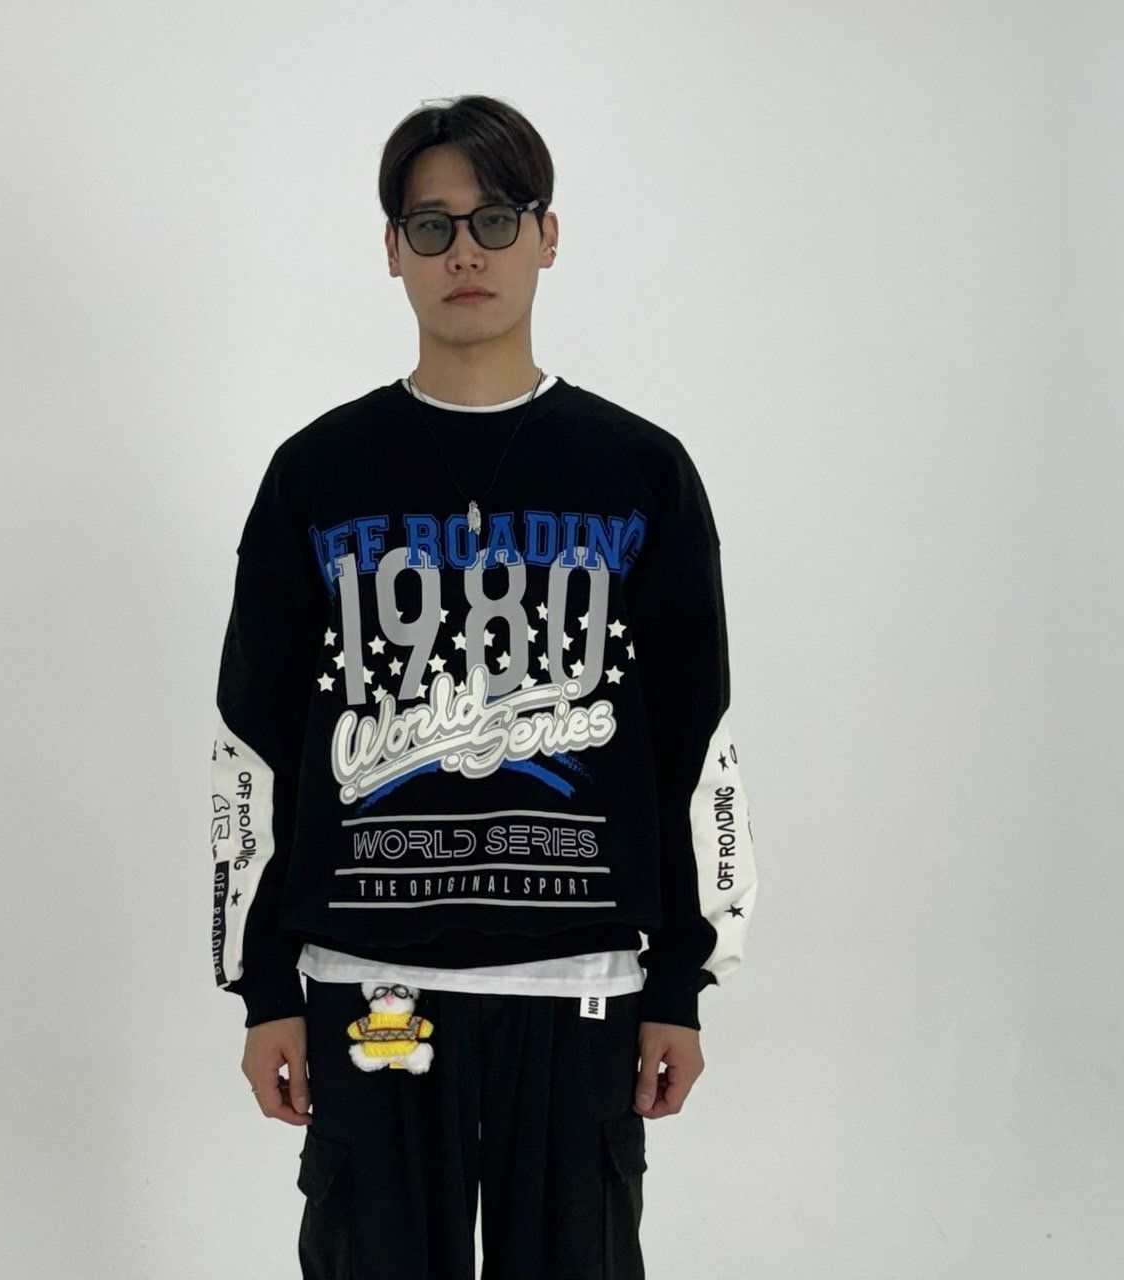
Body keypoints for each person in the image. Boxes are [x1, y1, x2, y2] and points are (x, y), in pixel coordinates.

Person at [207, 93, 758, 1280]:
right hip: (365, 981)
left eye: (495, 219)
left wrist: (679, 982)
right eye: (432, 225)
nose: (465, 251)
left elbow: (694, 743)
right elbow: (252, 742)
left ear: (546, 236)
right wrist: (263, 990)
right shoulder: (316, 473)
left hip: (581, 985)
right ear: (391, 250)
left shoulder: (638, 470)